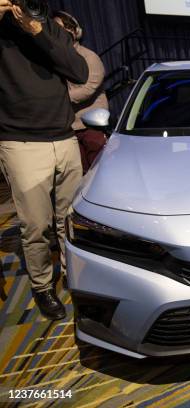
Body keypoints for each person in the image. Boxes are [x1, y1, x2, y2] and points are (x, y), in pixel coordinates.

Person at [0, 1, 88, 320]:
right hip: (20, 142)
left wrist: (37, 31)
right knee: (36, 224)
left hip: (64, 138)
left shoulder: (50, 29)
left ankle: (73, 277)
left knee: (70, 221)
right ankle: (42, 286)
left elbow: (79, 72)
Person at [52, 10, 109, 174]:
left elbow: (89, 88)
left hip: (92, 126)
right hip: (69, 127)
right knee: (80, 175)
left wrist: (57, 99)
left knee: (99, 172)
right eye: (57, 28)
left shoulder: (89, 56)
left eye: (66, 28)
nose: (62, 32)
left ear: (75, 31)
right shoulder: (55, 59)